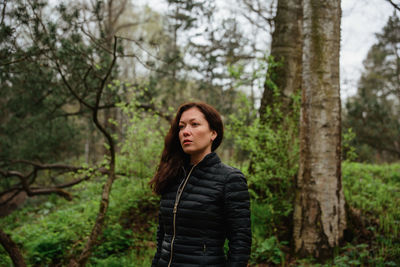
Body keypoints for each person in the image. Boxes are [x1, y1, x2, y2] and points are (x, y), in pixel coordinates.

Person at [150, 102, 251, 267]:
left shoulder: (230, 179)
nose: (185, 132)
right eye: (181, 127)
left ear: (213, 133)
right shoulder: (172, 176)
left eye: (194, 124)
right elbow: (163, 237)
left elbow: (241, 241)